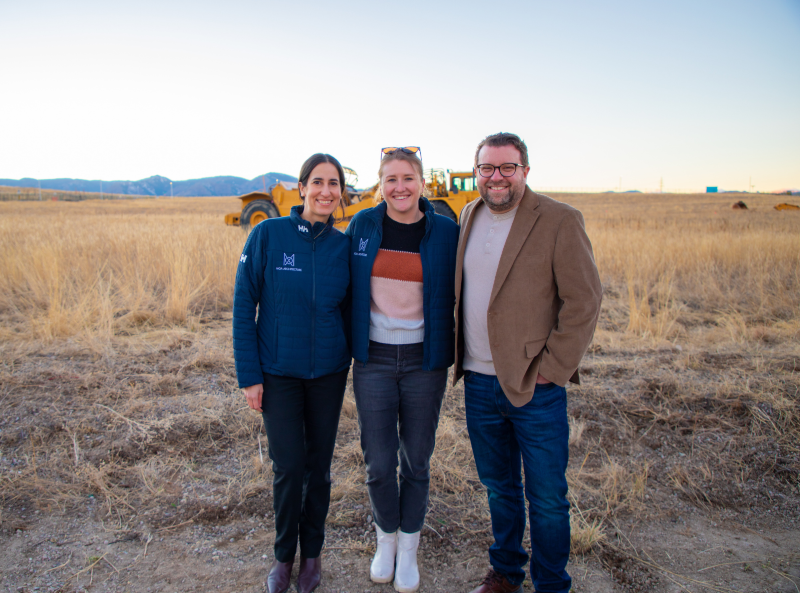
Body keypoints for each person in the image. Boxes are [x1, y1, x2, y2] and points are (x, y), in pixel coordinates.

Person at [454, 133, 602, 593]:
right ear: (476, 172)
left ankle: (552, 584)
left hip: (534, 385)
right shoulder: (468, 214)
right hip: (478, 382)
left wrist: (552, 370)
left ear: (525, 171)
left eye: (507, 168)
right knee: (499, 488)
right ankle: (506, 572)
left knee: (548, 498)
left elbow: (584, 300)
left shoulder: (559, 219)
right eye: (487, 168)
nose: (496, 177)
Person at [232, 153, 352, 593]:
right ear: (301, 188)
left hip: (328, 374)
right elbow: (244, 305)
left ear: (341, 192)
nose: (325, 191)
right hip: (278, 372)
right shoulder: (268, 234)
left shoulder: (342, 246)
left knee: (318, 469)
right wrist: (250, 375)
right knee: (288, 467)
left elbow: (351, 309)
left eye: (333, 183)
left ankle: (312, 556)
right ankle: (284, 557)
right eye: (317, 182)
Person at [345, 147, 459, 592]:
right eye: (390, 179)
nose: (400, 187)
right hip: (372, 359)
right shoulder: (362, 225)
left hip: (422, 362)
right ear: (380, 185)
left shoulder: (445, 231)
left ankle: (409, 550)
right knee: (378, 462)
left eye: (407, 178)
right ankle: (386, 542)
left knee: (416, 460)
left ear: (422, 182)